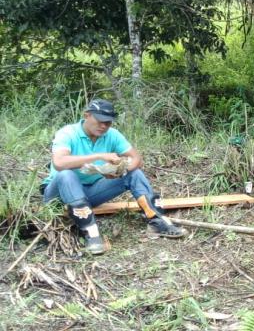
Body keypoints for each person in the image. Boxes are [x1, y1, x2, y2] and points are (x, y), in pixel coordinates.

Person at [41, 99, 186, 255]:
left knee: (133, 173)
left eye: (108, 123)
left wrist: (118, 171)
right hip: (58, 195)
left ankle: (157, 221)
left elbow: (137, 159)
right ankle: (91, 233)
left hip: (90, 193)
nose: (104, 126)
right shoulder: (68, 132)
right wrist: (100, 156)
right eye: (100, 121)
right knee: (66, 175)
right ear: (87, 115)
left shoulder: (112, 135)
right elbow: (59, 163)